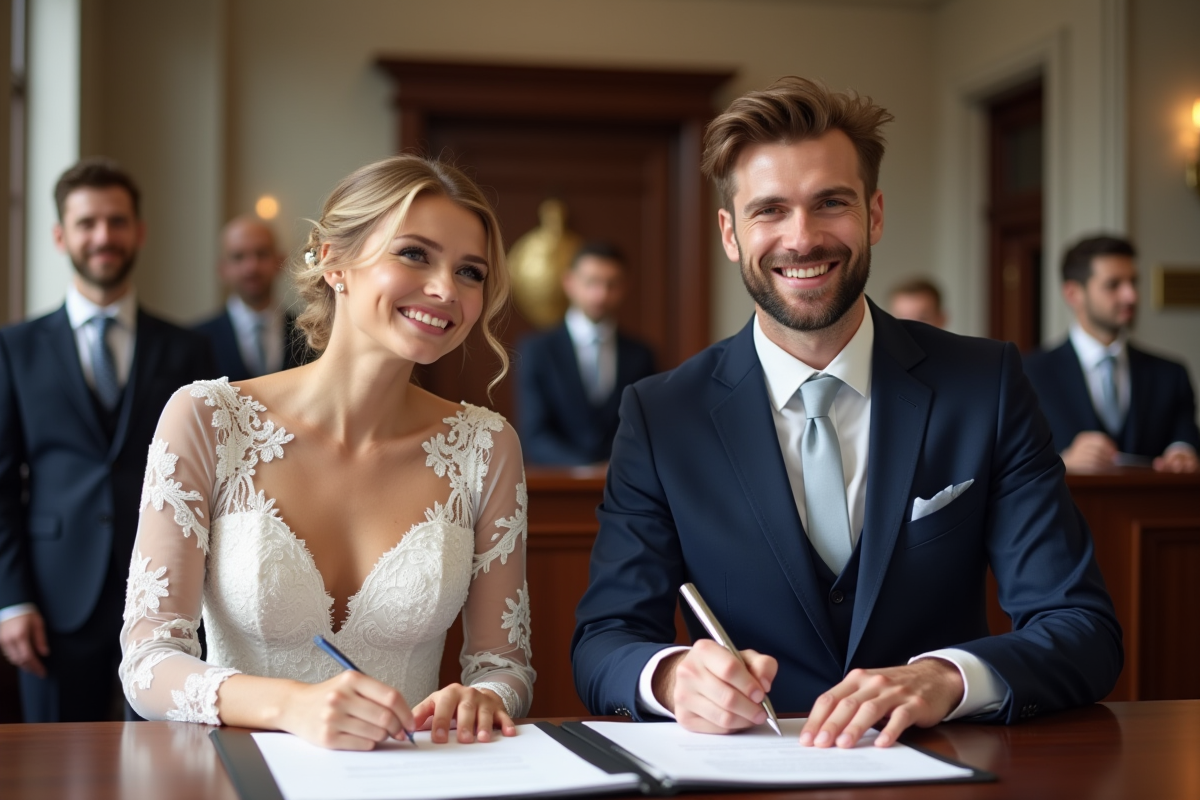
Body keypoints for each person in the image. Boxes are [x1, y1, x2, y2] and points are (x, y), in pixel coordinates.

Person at [571, 77, 1121, 750]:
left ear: (875, 215)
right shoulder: (662, 415)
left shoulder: (987, 385)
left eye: (830, 203)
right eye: (769, 210)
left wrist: (947, 678)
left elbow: (1082, 628)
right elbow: (605, 642)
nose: (801, 239)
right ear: (730, 233)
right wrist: (672, 676)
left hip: (940, 771)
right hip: (746, 781)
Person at [118, 155, 534, 751]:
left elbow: (506, 667)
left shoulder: (487, 448)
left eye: (470, 271)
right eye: (414, 254)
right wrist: (290, 706)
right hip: (241, 777)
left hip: (412, 782)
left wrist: (483, 698)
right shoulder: (207, 421)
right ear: (333, 259)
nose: (446, 289)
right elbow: (149, 662)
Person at [0, 158, 216, 722]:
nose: (103, 237)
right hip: (52, 599)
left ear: (138, 232)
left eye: (117, 222)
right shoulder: (15, 349)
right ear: (60, 235)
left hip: (167, 599)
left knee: (157, 765)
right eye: (87, 223)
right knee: (52, 768)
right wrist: (11, 600)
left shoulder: (187, 350)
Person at [1024, 236, 1199, 473]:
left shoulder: (1171, 374)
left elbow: (1184, 436)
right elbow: (1008, 463)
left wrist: (1182, 453)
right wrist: (1063, 461)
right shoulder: (1029, 374)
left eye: (1133, 282)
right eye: (1113, 285)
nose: (1131, 296)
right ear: (1073, 293)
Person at [516, 242, 656, 465]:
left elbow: (646, 429)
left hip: (624, 483)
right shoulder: (537, 350)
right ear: (569, 283)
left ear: (625, 287)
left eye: (612, 284)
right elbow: (535, 434)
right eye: (592, 282)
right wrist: (586, 469)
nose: (601, 294)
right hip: (559, 486)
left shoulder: (641, 354)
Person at [194, 216, 310, 381]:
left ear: (280, 261)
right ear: (222, 269)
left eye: (261, 254)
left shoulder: (309, 335)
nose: (251, 267)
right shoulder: (197, 340)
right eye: (238, 257)